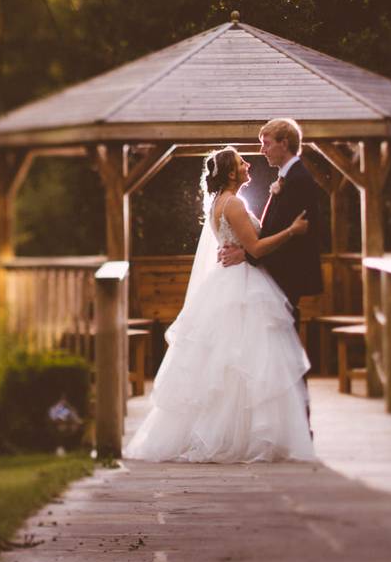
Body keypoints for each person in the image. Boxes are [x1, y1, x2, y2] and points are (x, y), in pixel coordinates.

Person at [124, 147, 315, 463]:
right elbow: (256, 246)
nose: (247, 165)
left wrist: (244, 251)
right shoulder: (235, 204)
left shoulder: (219, 203)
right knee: (244, 361)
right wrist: (292, 231)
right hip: (240, 286)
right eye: (242, 162)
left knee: (230, 364)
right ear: (230, 173)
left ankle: (233, 433)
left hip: (231, 280)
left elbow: (244, 246)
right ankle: (236, 437)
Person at [218, 118, 324, 424]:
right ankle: (290, 424)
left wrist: (247, 255)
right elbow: (272, 233)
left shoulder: (300, 180)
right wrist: (247, 252)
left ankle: (298, 426)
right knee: (279, 354)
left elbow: (296, 241)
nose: (261, 149)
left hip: (288, 277)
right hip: (275, 276)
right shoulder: (285, 179)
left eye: (266, 142)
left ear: (284, 143)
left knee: (287, 354)